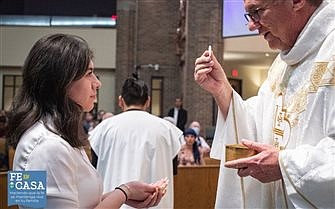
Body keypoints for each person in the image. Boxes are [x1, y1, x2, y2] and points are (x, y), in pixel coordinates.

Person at [194, 0, 335, 208]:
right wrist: (223, 91)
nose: (252, 25)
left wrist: (284, 165)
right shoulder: (282, 64)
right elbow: (260, 123)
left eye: (257, 11)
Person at [7, 33, 167, 209]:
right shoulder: (47, 147)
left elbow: (77, 202)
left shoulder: (52, 135)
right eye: (89, 73)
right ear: (62, 80)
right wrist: (124, 192)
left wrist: (121, 193)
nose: (97, 83)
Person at [89, 78, 183, 209]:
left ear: (120, 101)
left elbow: (93, 171)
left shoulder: (103, 129)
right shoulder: (167, 129)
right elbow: (172, 170)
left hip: (113, 203)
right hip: (157, 204)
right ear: (148, 101)